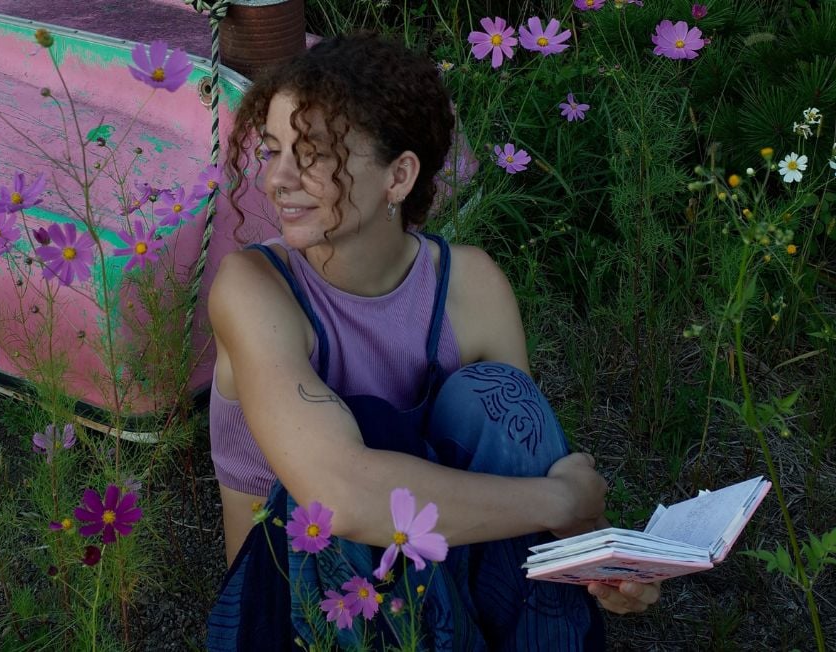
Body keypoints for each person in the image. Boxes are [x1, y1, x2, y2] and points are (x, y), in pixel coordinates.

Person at [205, 33, 659, 650]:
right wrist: (560, 500)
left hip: (447, 572)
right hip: (302, 613)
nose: (275, 180)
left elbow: (520, 460)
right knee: (369, 430)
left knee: (500, 398)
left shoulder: (470, 283)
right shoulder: (254, 288)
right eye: (273, 150)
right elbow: (339, 495)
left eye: (310, 154)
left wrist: (602, 558)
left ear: (399, 175)